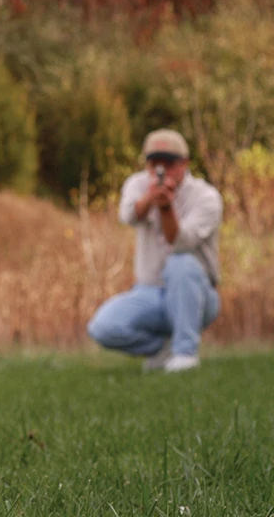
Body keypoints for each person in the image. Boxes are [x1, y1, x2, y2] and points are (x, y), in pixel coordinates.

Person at [87, 128, 222, 373]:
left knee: (180, 263)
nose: (161, 170)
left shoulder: (206, 196)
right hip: (151, 292)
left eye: (168, 164)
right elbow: (127, 216)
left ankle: (185, 355)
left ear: (185, 163)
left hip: (199, 296)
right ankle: (164, 350)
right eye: (153, 163)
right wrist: (150, 199)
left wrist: (167, 207)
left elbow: (180, 243)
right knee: (102, 327)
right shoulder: (138, 184)